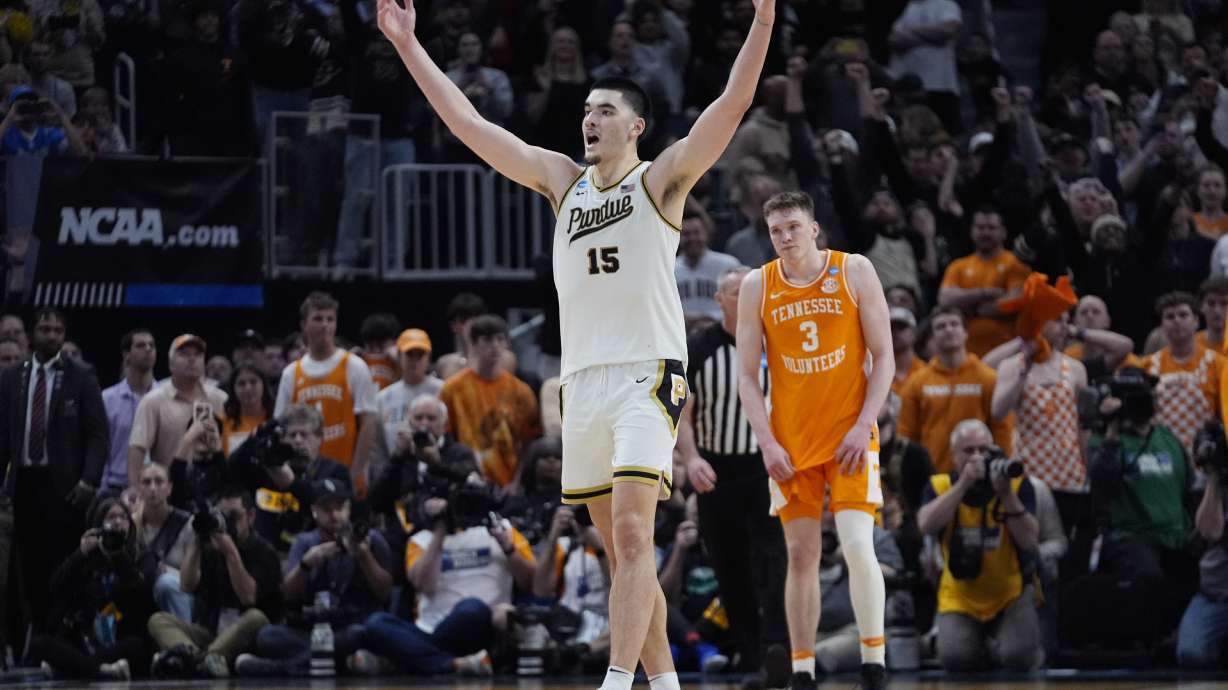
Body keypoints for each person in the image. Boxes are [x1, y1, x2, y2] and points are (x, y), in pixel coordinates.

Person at [379, 0, 775, 685]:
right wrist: (410, 45)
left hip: (646, 376)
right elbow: (468, 125)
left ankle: (617, 682)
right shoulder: (563, 182)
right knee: (625, 559)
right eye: (586, 109)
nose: (589, 118)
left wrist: (764, 20)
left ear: (637, 127)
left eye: (605, 110)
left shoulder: (660, 181)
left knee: (630, 535)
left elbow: (732, 105)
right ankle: (665, 684)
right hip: (582, 383)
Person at [735, 191, 892, 690]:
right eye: (776, 230)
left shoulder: (854, 271)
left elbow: (884, 357)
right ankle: (802, 668)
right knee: (799, 556)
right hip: (791, 443)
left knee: (856, 545)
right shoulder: (757, 284)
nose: (784, 238)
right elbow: (746, 377)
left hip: (849, 435)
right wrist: (767, 443)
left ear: (814, 228)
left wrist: (864, 423)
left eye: (792, 228)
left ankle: (875, 660)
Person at [676, 265, 788, 687]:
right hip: (715, 470)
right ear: (719, 300)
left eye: (752, 290)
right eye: (737, 291)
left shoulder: (776, 343)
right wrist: (691, 459)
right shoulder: (698, 348)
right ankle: (750, 651)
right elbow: (682, 412)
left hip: (765, 467)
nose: (746, 297)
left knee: (772, 562)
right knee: (729, 566)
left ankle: (778, 651)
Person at [0, 308, 107, 649]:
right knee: (29, 566)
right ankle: (41, 638)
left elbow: (97, 435)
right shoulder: (12, 376)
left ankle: (61, 636)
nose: (51, 335)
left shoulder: (82, 376)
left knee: (62, 565)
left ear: (64, 336)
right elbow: (3, 434)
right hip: (26, 482)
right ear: (32, 334)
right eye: (45, 329)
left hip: (65, 485)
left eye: (57, 330)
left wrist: (89, 481)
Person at [361, 481, 535, 674]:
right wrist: (440, 532)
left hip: (482, 623)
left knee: (470, 608)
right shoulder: (420, 540)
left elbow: (529, 583)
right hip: (431, 628)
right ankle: (452, 664)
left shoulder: (504, 530)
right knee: (376, 623)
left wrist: (508, 548)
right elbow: (423, 585)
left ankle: (408, 659)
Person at [916, 420, 1041, 671]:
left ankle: (1004, 644)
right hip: (960, 596)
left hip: (1009, 593)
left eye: (983, 450)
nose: (977, 457)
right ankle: (981, 646)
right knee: (955, 659)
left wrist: (1006, 495)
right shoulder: (940, 485)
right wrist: (963, 485)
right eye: (969, 450)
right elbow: (925, 525)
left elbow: (1029, 541)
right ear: (953, 455)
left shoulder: (1015, 484)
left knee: (1019, 657)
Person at [236, 479, 394, 677]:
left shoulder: (370, 539)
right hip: (316, 630)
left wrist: (364, 556)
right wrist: (307, 564)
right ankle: (341, 665)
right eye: (327, 509)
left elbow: (385, 592)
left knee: (360, 633)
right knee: (268, 636)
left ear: (349, 509)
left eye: (339, 508)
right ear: (314, 511)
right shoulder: (305, 542)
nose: (334, 515)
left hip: (352, 625)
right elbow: (287, 594)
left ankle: (283, 668)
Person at [148, 488, 280, 679]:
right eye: (222, 516)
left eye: (234, 516)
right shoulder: (212, 548)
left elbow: (248, 597)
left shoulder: (264, 551)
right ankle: (200, 659)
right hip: (213, 634)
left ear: (251, 516)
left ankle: (192, 661)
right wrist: (197, 540)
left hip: (249, 636)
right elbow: (186, 585)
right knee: (159, 620)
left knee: (256, 617)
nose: (227, 522)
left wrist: (231, 553)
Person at [28, 498, 155, 681]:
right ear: (99, 525)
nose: (118, 522)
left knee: (136, 645)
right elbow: (56, 587)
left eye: (123, 517)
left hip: (124, 636)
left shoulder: (143, 555)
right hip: (88, 639)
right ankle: (102, 671)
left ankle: (72, 667)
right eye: (111, 517)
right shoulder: (89, 558)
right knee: (40, 643)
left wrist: (119, 556)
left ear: (130, 523)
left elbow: (139, 593)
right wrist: (81, 554)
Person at [275, 292, 378, 488]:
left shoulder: (354, 366)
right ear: (304, 324)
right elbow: (281, 428)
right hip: (302, 479)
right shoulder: (291, 373)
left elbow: (368, 425)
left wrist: (354, 475)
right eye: (318, 318)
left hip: (344, 472)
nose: (325, 325)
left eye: (330, 319)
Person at [898, 306, 1012, 472]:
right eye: (940, 326)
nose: (948, 330)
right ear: (932, 337)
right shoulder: (916, 383)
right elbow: (906, 435)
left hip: (980, 472)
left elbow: (1002, 430)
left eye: (954, 324)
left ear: (966, 332)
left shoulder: (988, 378)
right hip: (932, 475)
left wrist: (1001, 466)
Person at [438, 315, 540, 488]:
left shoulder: (521, 392)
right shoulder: (452, 389)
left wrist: (517, 482)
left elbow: (529, 442)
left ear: (507, 344)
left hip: (509, 484)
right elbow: (445, 439)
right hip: (465, 481)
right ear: (473, 343)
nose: (495, 346)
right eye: (487, 339)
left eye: (500, 339)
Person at [127, 334, 228, 484]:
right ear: (170, 364)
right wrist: (135, 490)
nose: (192, 359)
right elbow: (137, 449)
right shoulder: (153, 401)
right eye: (184, 354)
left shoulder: (220, 399)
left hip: (214, 489)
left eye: (197, 354)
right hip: (169, 491)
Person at [936, 208, 1031, 357]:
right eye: (980, 228)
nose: (985, 232)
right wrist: (987, 293)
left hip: (1007, 351)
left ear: (1003, 232)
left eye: (991, 228)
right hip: (967, 353)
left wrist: (971, 309)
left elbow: (1016, 301)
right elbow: (945, 299)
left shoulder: (1015, 263)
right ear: (972, 231)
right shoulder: (958, 266)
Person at [1145, 291, 1224, 457]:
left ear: (1196, 321)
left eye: (1183, 315)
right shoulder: (1148, 365)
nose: (1177, 321)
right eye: (1170, 316)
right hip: (1161, 456)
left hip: (1204, 457)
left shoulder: (1219, 365)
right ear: (1162, 324)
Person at [1177, 444, 1228, 668]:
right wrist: (1214, 476)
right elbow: (1209, 530)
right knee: (1191, 654)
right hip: (1215, 595)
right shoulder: (1215, 480)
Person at [372, 328, 444, 472]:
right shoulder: (383, 398)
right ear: (399, 356)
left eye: (420, 355)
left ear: (429, 358)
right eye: (410, 354)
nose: (415, 361)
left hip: (437, 470)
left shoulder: (443, 391)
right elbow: (378, 448)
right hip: (396, 473)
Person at [131, 462, 195, 621]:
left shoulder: (187, 524)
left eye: (159, 481)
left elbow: (193, 582)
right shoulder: (131, 526)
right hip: (144, 599)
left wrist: (168, 572)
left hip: (185, 598)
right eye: (146, 482)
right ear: (139, 488)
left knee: (166, 583)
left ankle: (184, 640)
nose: (153, 488)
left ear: (169, 488)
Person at [100, 329, 156, 493]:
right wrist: (103, 488)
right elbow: (101, 448)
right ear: (126, 355)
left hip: (157, 486)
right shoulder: (107, 399)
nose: (148, 349)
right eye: (140, 345)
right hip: (116, 487)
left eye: (151, 345)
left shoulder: (166, 396)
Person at [675, 209, 740, 321]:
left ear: (706, 234)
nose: (692, 238)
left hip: (720, 333)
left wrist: (708, 317)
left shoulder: (728, 265)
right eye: (686, 234)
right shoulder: (669, 269)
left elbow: (740, 304)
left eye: (696, 233)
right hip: (680, 334)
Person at [221, 364, 273, 456]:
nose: (248, 388)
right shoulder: (222, 422)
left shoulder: (277, 418)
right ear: (233, 390)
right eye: (241, 383)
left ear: (263, 385)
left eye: (253, 382)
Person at [359, 313, 401, 390]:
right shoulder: (358, 359)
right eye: (371, 347)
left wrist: (400, 360)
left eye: (381, 346)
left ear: (395, 342)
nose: (376, 350)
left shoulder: (401, 361)